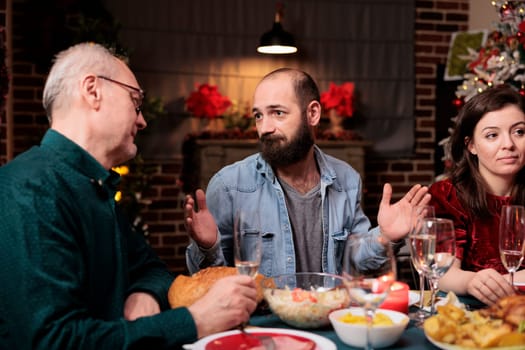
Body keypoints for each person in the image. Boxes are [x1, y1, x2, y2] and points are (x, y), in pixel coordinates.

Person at [0, 42, 257, 349]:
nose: (142, 120)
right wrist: (195, 320)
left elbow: (153, 269)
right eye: (135, 102)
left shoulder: (92, 185)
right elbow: (55, 341)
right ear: (92, 91)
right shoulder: (30, 190)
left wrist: (144, 294)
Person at [184, 68, 430, 276]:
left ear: (312, 113)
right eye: (258, 116)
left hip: (327, 318)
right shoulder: (229, 185)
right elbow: (206, 281)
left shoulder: (346, 179)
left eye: (277, 113)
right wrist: (207, 248)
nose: (265, 128)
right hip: (262, 322)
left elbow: (355, 263)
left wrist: (385, 237)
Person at [430, 85, 525, 306]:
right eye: (492, 135)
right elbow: (443, 272)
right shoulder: (449, 195)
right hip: (469, 313)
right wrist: (471, 281)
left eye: (519, 132)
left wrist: (502, 282)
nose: (509, 144)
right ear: (471, 145)